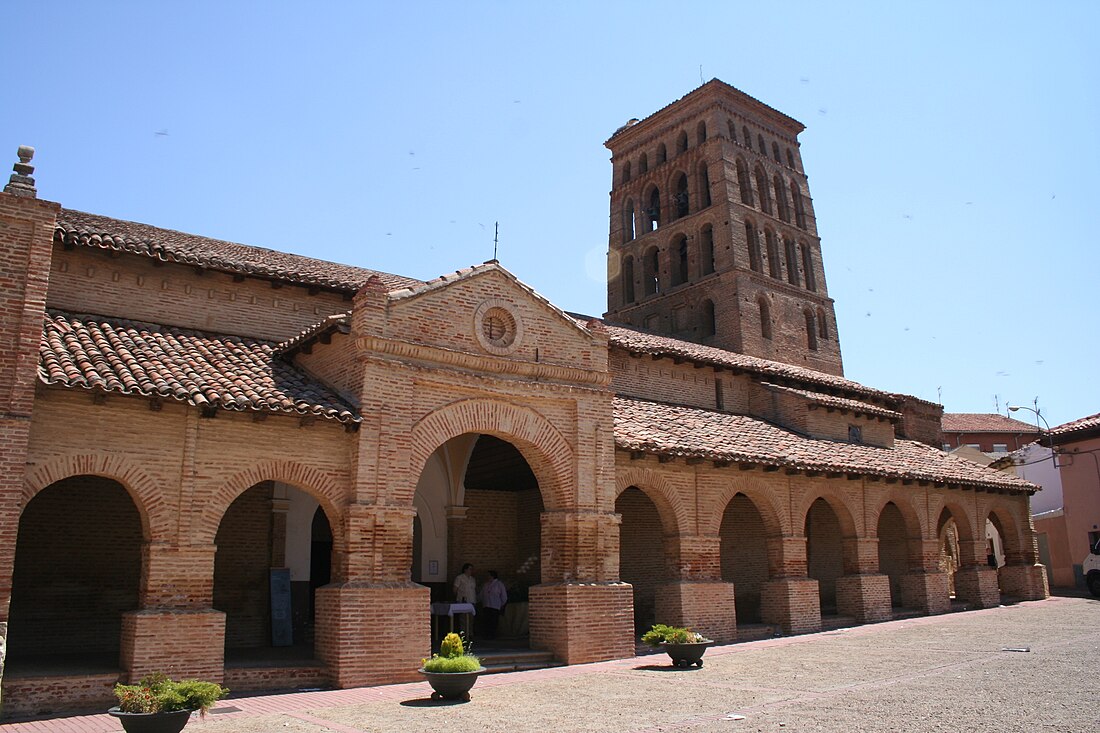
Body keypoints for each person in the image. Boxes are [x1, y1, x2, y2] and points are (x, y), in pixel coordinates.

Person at [479, 569, 508, 639]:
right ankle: (487, 634)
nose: (487, 577)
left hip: (495, 606)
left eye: (488, 575)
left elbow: (504, 596)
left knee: (494, 621)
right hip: (486, 605)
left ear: (492, 576)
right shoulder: (486, 584)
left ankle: (493, 635)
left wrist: (501, 604)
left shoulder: (499, 584)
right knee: (486, 621)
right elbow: (481, 594)